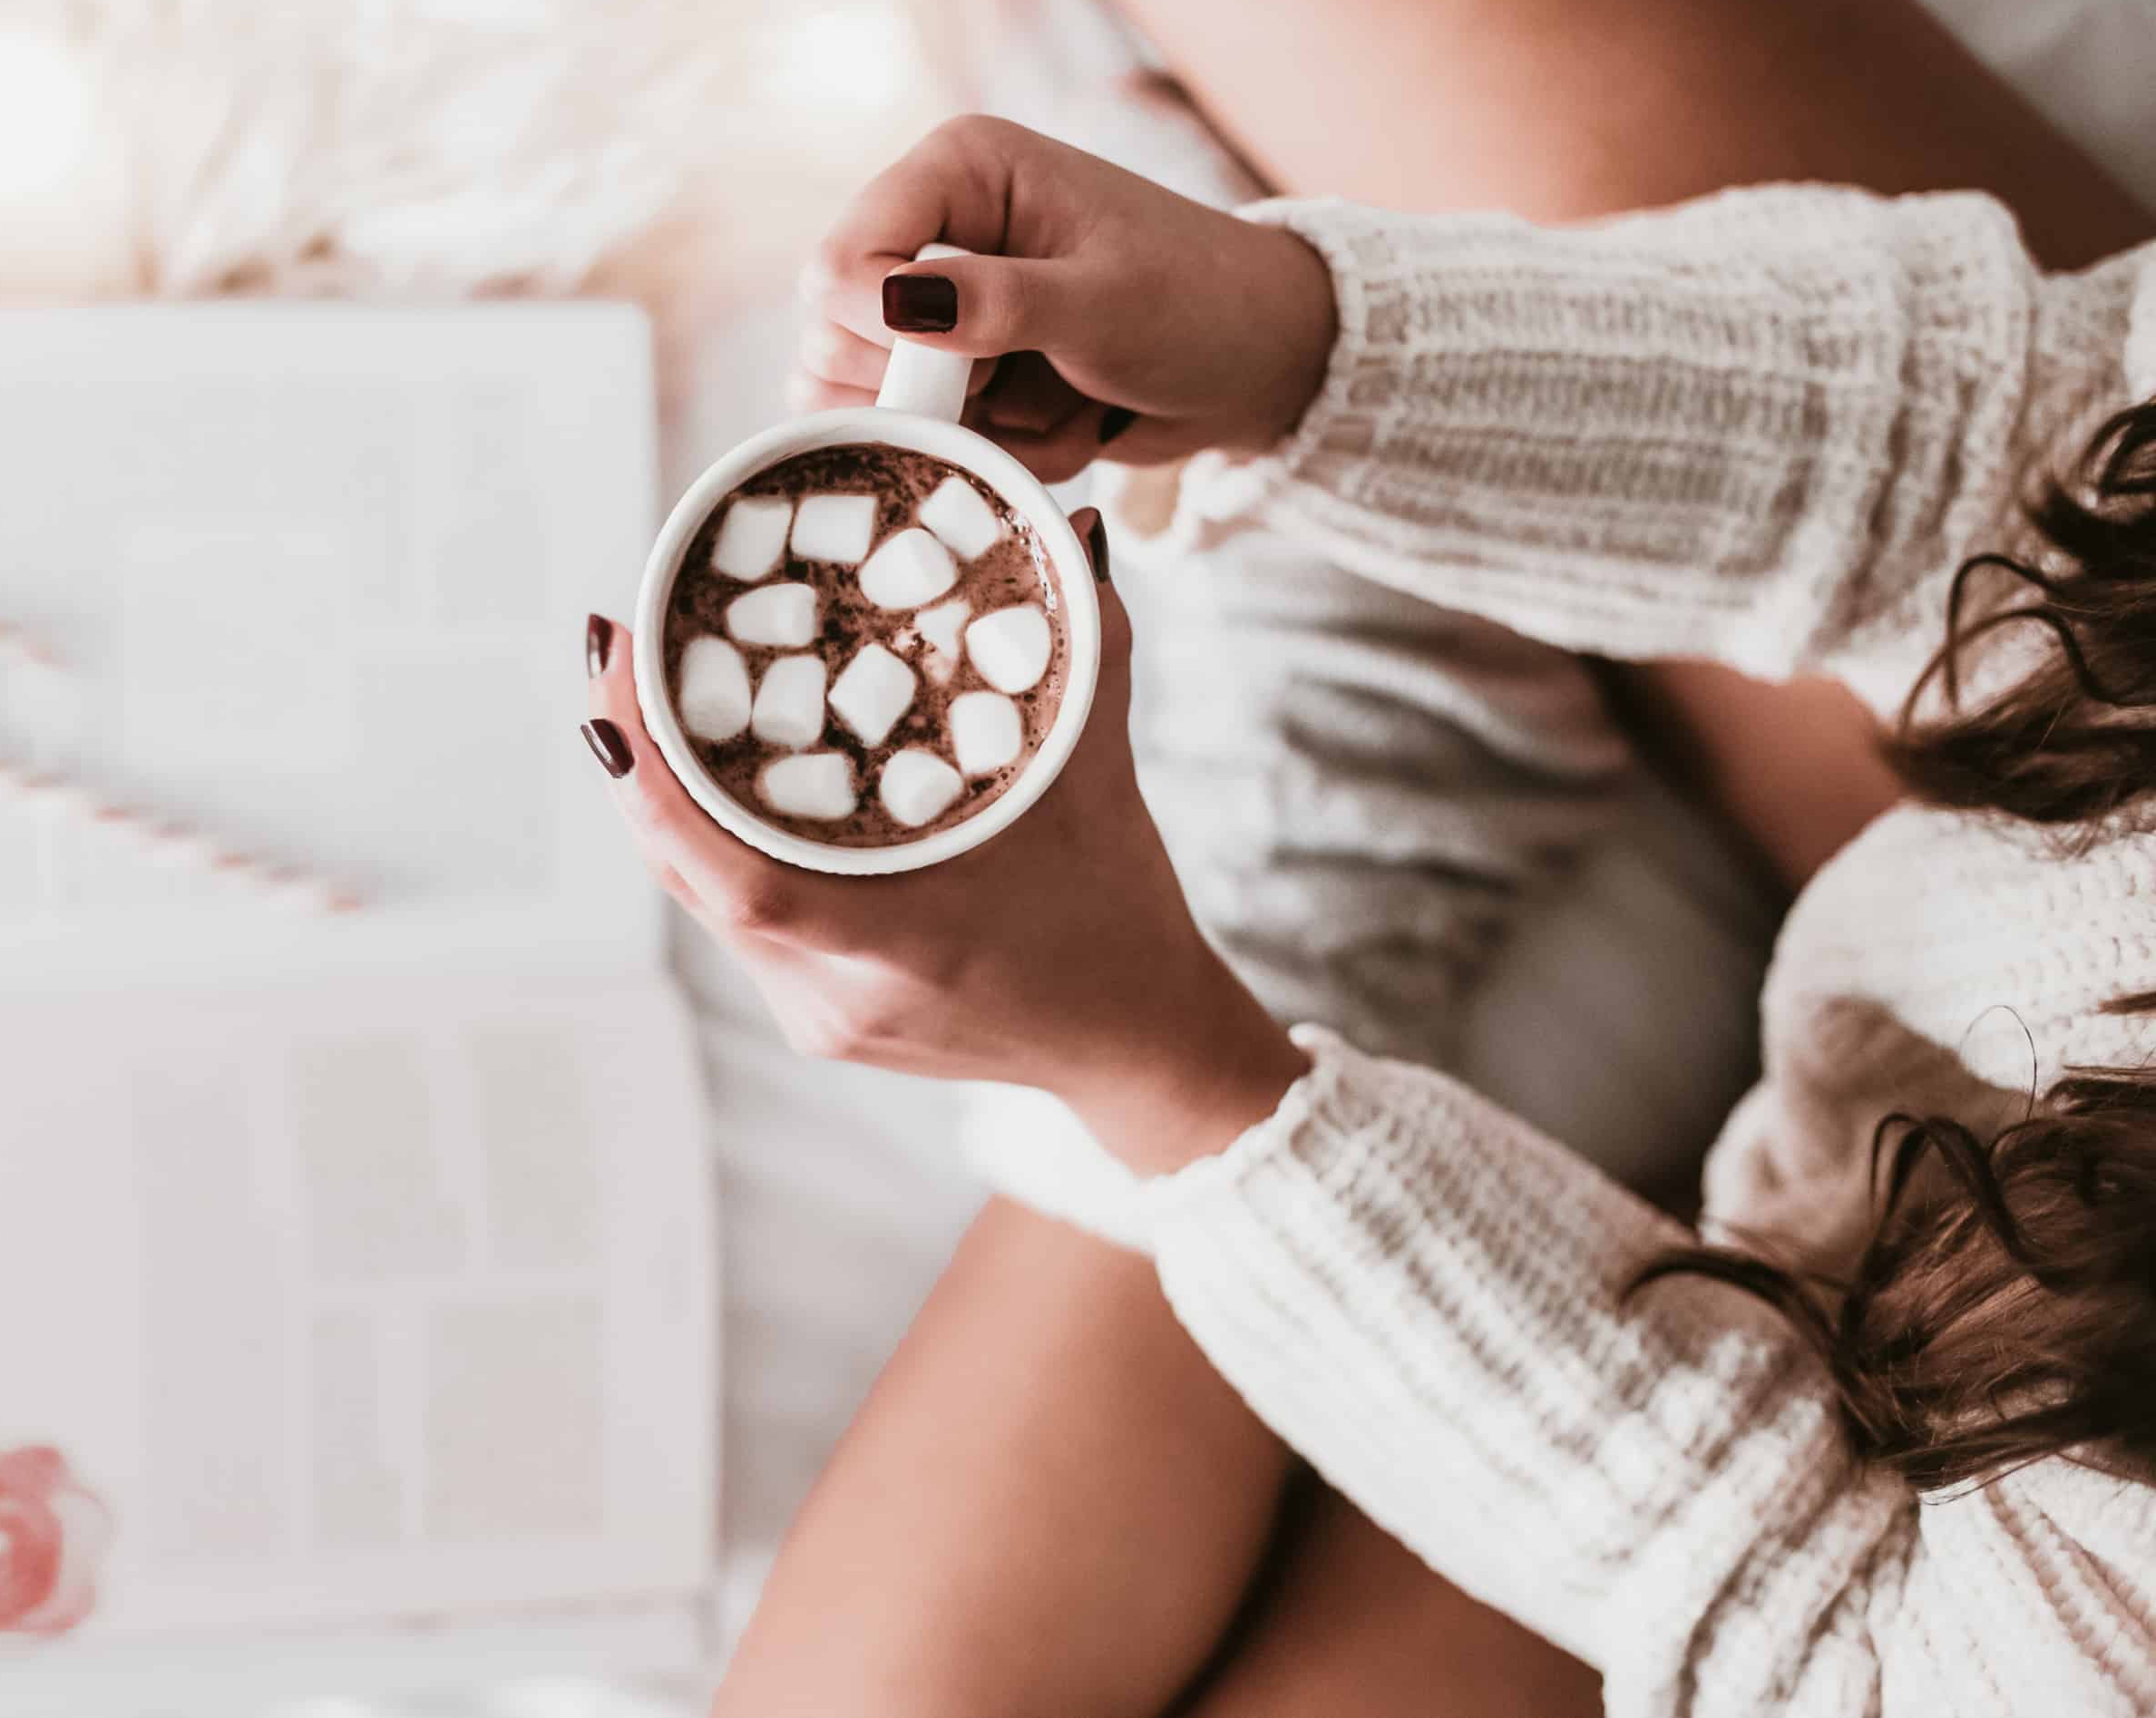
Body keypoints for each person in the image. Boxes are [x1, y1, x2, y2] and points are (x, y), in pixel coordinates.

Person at [592, 107, 2156, 1715]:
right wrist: (1302, 349)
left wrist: (1174, 1074)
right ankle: (1355, 790)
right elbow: (2036, 440)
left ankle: (1347, 817)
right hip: (1932, 1006)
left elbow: (1847, 1630)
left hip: (1899, 1512)